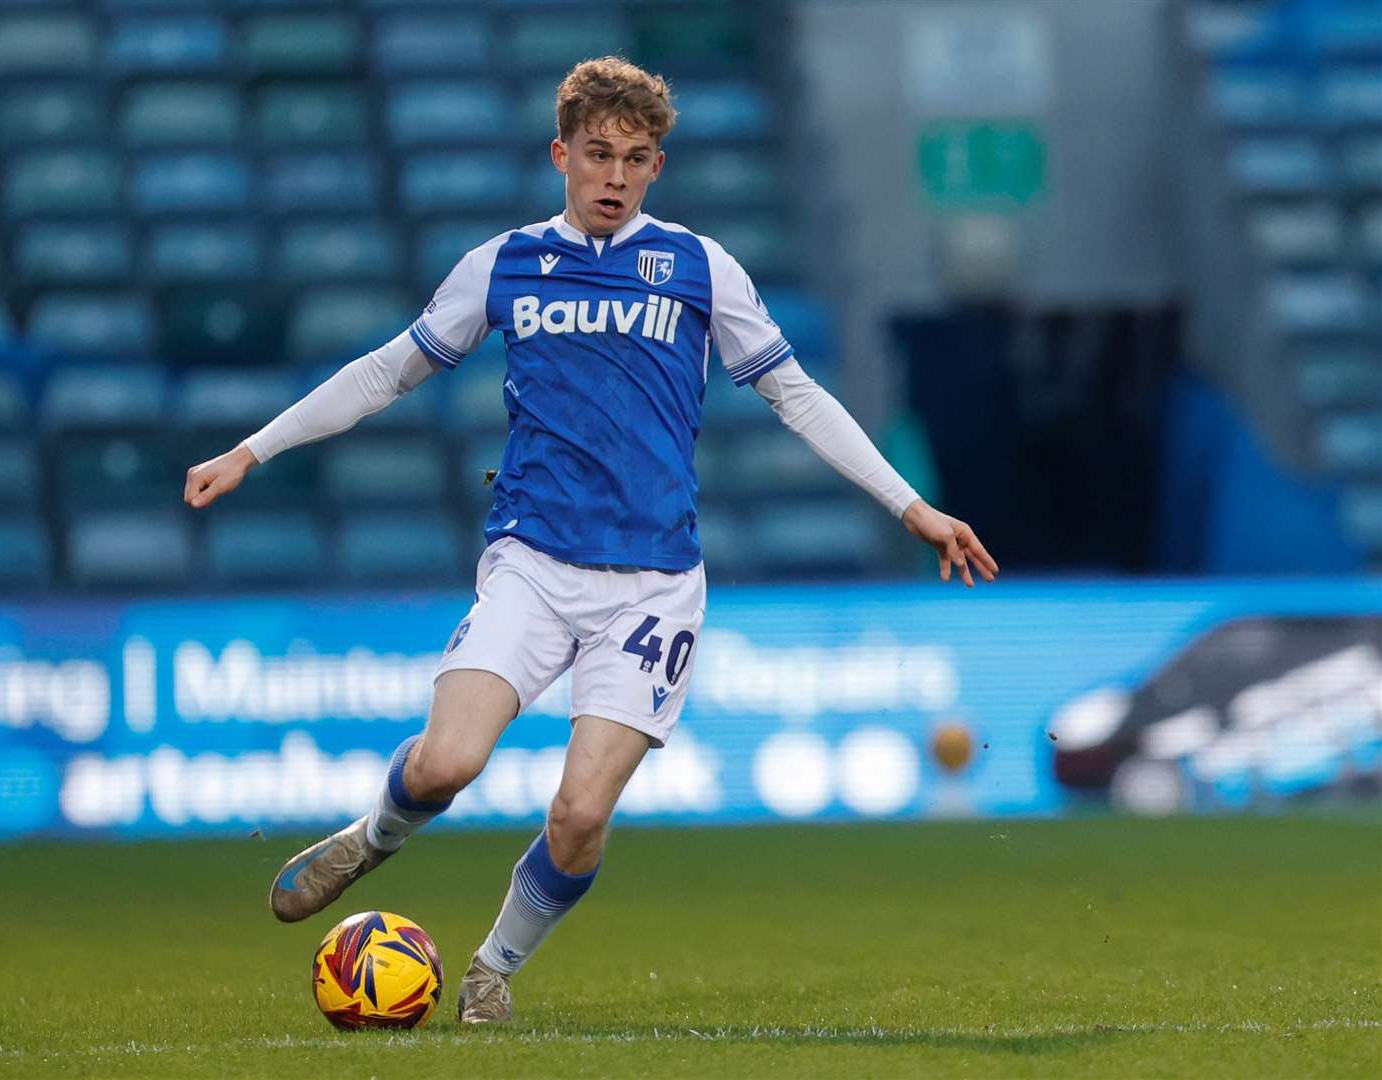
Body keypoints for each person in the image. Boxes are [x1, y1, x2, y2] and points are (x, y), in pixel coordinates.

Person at [183, 56, 998, 1025]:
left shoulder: (699, 267)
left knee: (578, 818)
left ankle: (490, 972)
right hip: (532, 562)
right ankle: (374, 835)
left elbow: (797, 395)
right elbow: (386, 372)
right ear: (560, 154)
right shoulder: (505, 264)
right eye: (598, 154)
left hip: (653, 585)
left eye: (637, 158)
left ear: (659, 168)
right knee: (447, 765)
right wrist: (253, 449)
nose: (615, 175)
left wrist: (911, 506)